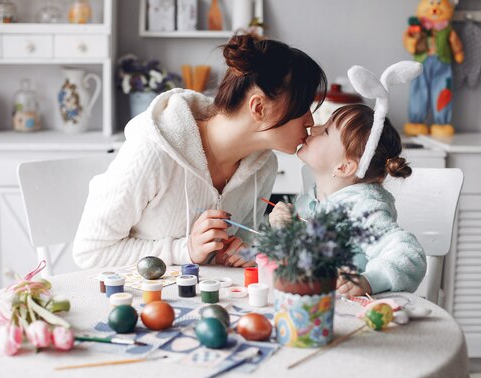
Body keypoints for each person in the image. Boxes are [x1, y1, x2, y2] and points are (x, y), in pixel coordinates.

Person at [73, 33, 327, 269]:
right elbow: (89, 251)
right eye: (303, 106)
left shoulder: (264, 165)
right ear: (259, 107)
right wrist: (185, 250)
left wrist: (242, 251)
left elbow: (240, 243)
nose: (310, 122)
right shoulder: (154, 150)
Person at [269, 62, 427, 297]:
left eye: (325, 131)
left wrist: (368, 281)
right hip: (315, 307)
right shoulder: (315, 200)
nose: (313, 128)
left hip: (353, 316)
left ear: (344, 167)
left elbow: (409, 254)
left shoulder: (361, 208)